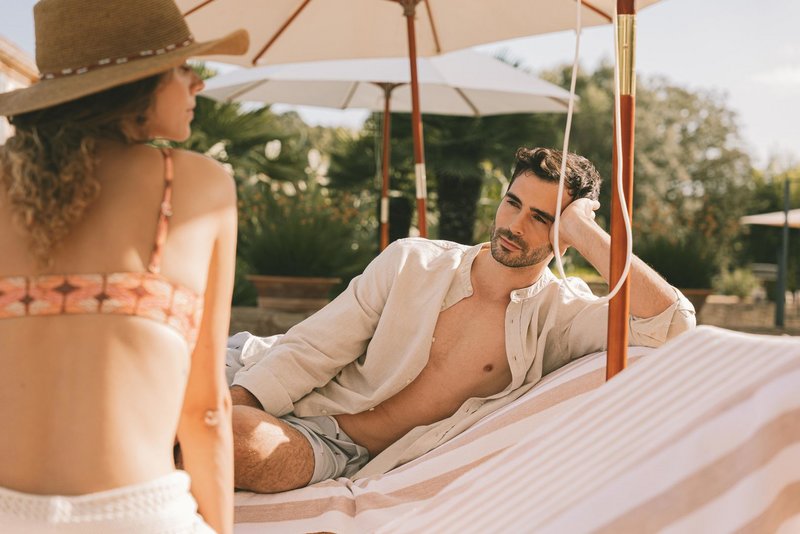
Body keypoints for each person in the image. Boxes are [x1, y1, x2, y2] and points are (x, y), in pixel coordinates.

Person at [226, 147, 697, 494]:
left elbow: (673, 327)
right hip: (261, 376)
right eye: (512, 203)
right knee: (208, 417)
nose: (515, 226)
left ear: (565, 235)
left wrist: (586, 231)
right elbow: (312, 348)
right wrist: (232, 403)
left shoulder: (559, 316)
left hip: (336, 446)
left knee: (238, 443)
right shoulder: (412, 262)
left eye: (541, 218)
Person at [0, 1, 248, 532]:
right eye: (182, 67)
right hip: (138, 515)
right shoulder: (196, 184)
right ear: (137, 84)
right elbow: (205, 411)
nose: (199, 82)